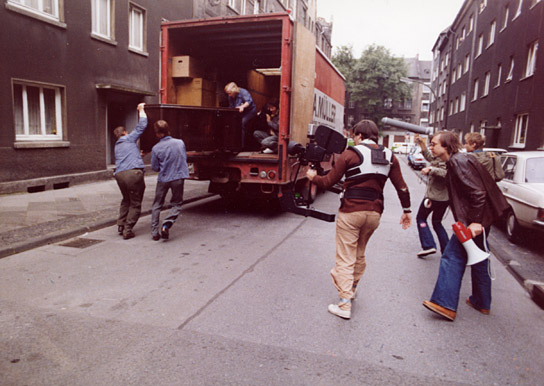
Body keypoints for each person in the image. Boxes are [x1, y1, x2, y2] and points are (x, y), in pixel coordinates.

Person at [306, 120, 412, 320]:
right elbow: (402, 187)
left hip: (351, 211)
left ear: (359, 135)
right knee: (360, 252)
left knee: (345, 258)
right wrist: (407, 210)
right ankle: (352, 289)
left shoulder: (351, 154)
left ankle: (344, 304)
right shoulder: (390, 156)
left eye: (354, 136)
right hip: (374, 213)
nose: (353, 139)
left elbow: (329, 182)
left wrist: (313, 177)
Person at [423, 131, 509, 321]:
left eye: (434, 143)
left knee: (452, 256)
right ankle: (481, 301)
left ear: (446, 146)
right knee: (477, 257)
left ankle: (444, 304)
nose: (431, 146)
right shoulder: (458, 160)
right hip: (480, 218)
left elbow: (477, 193)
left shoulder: (458, 162)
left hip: (475, 220)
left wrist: (476, 222)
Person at [113, 103, 148, 240]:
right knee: (135, 202)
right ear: (125, 133)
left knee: (126, 199)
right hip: (133, 174)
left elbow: (127, 156)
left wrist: (138, 155)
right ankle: (128, 230)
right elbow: (142, 125)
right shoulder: (128, 138)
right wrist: (141, 109)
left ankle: (121, 224)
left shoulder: (117, 146)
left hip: (119, 175)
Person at [150, 119, 189, 241]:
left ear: (157, 134)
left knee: (157, 205)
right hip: (178, 177)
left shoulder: (156, 148)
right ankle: (166, 224)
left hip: (164, 178)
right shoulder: (180, 143)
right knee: (176, 203)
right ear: (168, 130)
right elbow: (184, 158)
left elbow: (155, 167)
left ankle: (155, 232)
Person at [414, 134, 449, 257]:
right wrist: (421, 143)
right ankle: (447, 250)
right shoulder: (439, 157)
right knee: (437, 222)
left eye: (433, 145)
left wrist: (430, 169)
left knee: (420, 218)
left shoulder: (446, 160)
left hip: (434, 197)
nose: (431, 147)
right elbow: (428, 156)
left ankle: (428, 245)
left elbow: (446, 173)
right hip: (444, 198)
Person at [224, 82, 257, 148]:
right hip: (240, 112)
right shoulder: (230, 96)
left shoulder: (243, 92)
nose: (229, 95)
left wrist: (242, 106)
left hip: (249, 111)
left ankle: (241, 146)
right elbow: (231, 107)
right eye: (228, 93)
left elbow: (248, 102)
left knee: (241, 123)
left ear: (234, 90)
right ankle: (232, 144)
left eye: (230, 93)